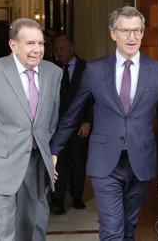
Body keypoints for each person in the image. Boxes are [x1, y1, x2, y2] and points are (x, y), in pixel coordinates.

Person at [50, 6, 158, 240]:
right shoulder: (94, 70)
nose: (132, 37)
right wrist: (54, 151)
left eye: (137, 31)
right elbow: (73, 115)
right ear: (113, 34)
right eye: (125, 31)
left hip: (140, 162)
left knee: (128, 227)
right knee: (112, 230)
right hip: (105, 161)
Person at [0, 18, 62, 240]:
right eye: (30, 44)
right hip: (0, 167)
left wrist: (50, 156)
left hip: (37, 167)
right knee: (1, 234)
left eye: (41, 43)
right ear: (13, 45)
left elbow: (51, 121)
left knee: (34, 232)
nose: (37, 50)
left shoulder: (54, 73)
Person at [49, 35, 93, 215]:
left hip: (79, 125)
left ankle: (77, 196)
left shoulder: (87, 68)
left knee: (78, 161)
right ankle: (57, 200)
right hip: (57, 125)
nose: (58, 52)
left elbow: (93, 97)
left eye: (61, 49)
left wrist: (88, 120)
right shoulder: (52, 69)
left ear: (71, 48)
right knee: (57, 162)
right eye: (56, 49)